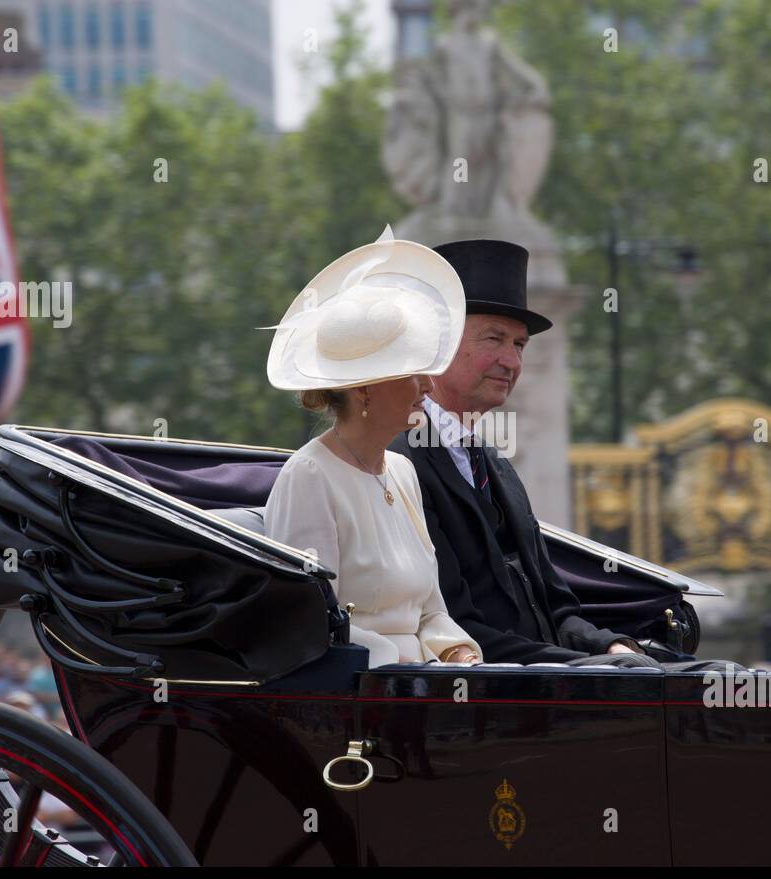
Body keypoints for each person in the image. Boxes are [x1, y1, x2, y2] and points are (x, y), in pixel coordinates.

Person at [390, 239, 700, 668]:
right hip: (490, 684)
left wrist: (609, 647)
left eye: (519, 345)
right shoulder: (401, 461)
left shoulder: (495, 466)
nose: (511, 361)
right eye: (495, 338)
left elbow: (556, 610)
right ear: (437, 344)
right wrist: (577, 665)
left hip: (545, 672)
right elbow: (451, 623)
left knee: (719, 677)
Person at [263, 226, 484, 669]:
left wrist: (458, 654)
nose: (428, 384)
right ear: (364, 390)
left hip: (422, 686)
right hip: (362, 699)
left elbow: (430, 611)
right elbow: (311, 624)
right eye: (413, 370)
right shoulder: (310, 477)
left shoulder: (402, 470)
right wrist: (412, 665)